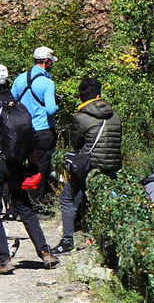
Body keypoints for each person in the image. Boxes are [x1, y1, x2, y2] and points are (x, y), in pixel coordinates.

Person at [0, 64, 59, 276]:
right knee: (25, 208)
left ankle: (2, 260)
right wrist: (33, 166)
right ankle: (45, 252)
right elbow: (32, 140)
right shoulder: (21, 107)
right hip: (17, 166)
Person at [51, 78, 122, 255]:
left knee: (67, 198)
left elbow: (76, 144)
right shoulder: (114, 115)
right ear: (99, 95)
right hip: (111, 167)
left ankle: (67, 241)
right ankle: (93, 236)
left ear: (81, 97)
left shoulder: (81, 117)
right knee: (93, 200)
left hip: (90, 166)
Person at [10, 47, 59, 211]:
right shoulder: (47, 82)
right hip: (43, 130)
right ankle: (36, 204)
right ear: (46, 61)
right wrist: (56, 104)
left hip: (23, 130)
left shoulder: (19, 79)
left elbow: (13, 101)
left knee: (24, 165)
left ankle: (18, 202)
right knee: (42, 166)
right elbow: (51, 109)